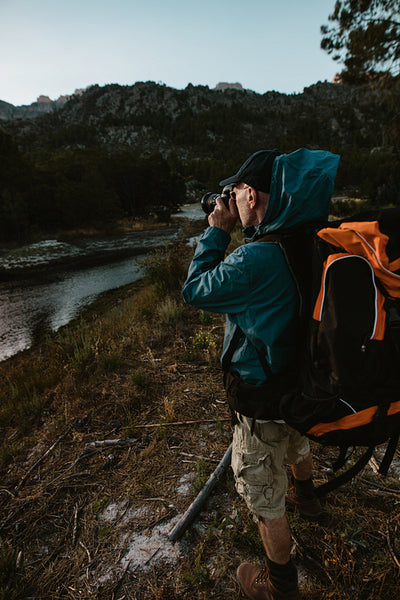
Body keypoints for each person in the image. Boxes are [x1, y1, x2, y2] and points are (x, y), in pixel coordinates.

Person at [182, 148, 340, 600]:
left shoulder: (253, 261)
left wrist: (217, 231)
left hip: (261, 399)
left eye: (233, 195)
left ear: (250, 193)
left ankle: (279, 587)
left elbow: (195, 289)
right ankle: (308, 496)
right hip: (304, 387)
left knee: (264, 496)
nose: (230, 201)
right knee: (296, 440)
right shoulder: (313, 239)